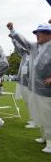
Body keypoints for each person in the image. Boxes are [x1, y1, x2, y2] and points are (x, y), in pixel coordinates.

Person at [6, 23, 51, 153]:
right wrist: (12, 30)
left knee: (48, 116)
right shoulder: (35, 47)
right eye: (36, 33)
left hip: (47, 90)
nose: (37, 36)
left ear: (49, 35)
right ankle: (44, 137)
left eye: (40, 33)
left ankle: (50, 143)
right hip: (35, 88)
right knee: (40, 114)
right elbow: (23, 41)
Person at [6, 22, 36, 129]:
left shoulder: (35, 52)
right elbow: (17, 44)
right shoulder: (24, 53)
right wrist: (12, 34)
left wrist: (13, 31)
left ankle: (35, 121)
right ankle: (33, 119)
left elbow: (22, 42)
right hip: (23, 82)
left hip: (33, 83)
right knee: (27, 102)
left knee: (33, 102)